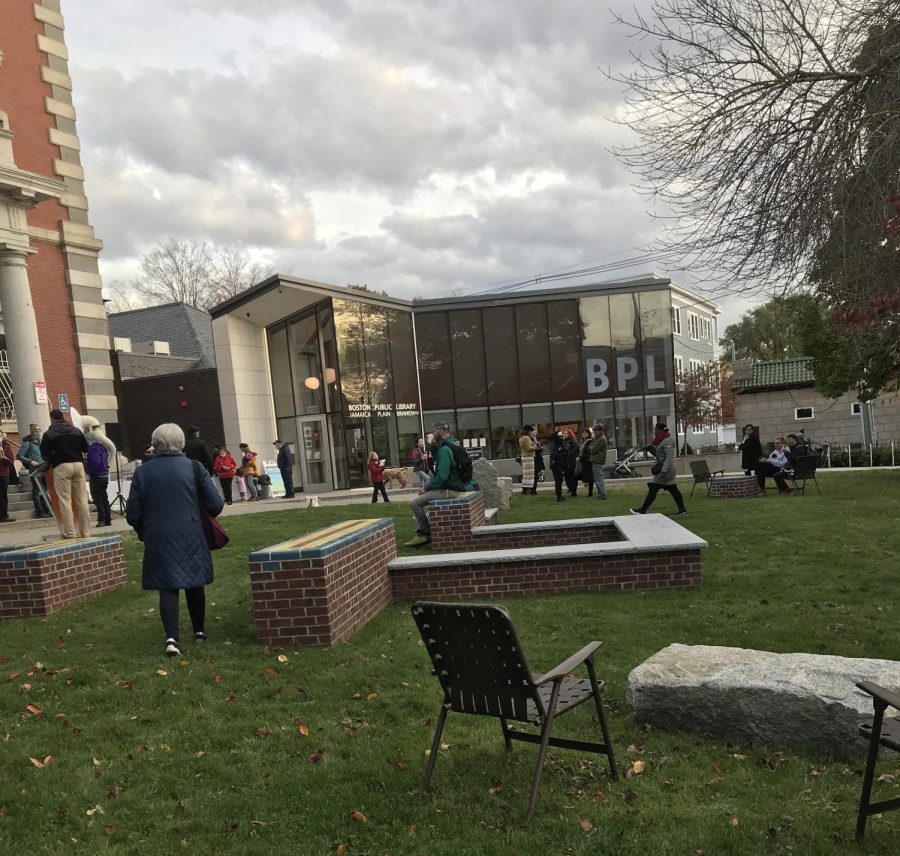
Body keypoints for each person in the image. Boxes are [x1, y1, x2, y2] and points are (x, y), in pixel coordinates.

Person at [125, 423, 224, 657]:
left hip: (157, 534)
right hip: (190, 531)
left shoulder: (143, 471)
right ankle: (199, 631)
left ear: (155, 444)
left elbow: (132, 513)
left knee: (167, 586)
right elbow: (215, 505)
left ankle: (171, 637)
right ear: (180, 443)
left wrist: (144, 530)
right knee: (194, 581)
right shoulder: (194, 467)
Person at [405, 421, 476, 547]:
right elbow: (438, 457)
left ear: (440, 431)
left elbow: (442, 476)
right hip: (456, 486)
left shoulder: (445, 449)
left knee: (415, 504)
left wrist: (426, 488)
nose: (432, 433)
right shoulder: (453, 443)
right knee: (421, 500)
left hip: (448, 490)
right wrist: (431, 444)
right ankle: (422, 532)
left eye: (434, 431)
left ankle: (426, 534)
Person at [40, 409, 91, 538]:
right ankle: (86, 532)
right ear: (63, 417)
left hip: (61, 467)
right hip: (78, 465)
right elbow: (86, 448)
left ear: (51, 419)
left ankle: (70, 533)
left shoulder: (49, 434)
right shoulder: (76, 430)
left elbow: (44, 454)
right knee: (82, 500)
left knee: (65, 501)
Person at [630, 422, 687, 516]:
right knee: (673, 490)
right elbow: (660, 456)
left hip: (666, 470)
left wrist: (664, 471)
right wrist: (650, 450)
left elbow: (669, 457)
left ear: (660, 430)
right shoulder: (661, 441)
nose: (654, 431)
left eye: (656, 430)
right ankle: (682, 510)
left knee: (653, 488)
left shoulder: (667, 441)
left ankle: (642, 510)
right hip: (666, 470)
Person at [17, 422, 53, 519]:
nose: (38, 433)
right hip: (34, 470)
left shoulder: (40, 442)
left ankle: (47, 509)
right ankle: (40, 511)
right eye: (36, 432)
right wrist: (30, 461)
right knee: (37, 491)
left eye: (39, 431)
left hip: (43, 468)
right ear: (32, 433)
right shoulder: (27, 443)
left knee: (44, 491)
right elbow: (19, 456)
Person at [85, 430, 112, 527]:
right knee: (104, 498)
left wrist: (89, 470)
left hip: (97, 475)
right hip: (104, 474)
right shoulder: (102, 447)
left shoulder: (92, 448)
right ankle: (108, 519)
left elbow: (96, 462)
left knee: (97, 499)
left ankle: (102, 519)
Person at [588, 423, 609, 500]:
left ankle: (602, 493)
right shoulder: (597, 438)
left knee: (599, 477)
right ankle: (600, 492)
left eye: (595, 431)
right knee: (597, 477)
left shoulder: (601, 439)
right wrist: (592, 445)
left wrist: (591, 447)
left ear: (600, 431)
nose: (594, 432)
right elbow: (590, 446)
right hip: (595, 459)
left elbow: (592, 449)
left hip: (598, 460)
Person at [518, 425, 538, 496]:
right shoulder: (526, 438)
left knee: (526, 475)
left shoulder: (521, 438)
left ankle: (525, 490)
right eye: (530, 431)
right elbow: (529, 448)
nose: (531, 432)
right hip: (528, 457)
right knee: (529, 475)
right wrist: (535, 447)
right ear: (528, 431)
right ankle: (527, 490)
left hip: (524, 457)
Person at [0, 432, 14, 523]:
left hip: (4, 474)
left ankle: (4, 515)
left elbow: (11, 462)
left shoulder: (7, 447)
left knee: (3, 496)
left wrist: (3, 457)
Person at [578, 429, 596, 497]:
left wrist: (581, 458)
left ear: (588, 433)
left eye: (585, 432)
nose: (584, 434)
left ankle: (590, 492)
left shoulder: (589, 441)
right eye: (583, 432)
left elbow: (587, 452)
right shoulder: (582, 441)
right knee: (587, 477)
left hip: (588, 461)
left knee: (590, 477)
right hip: (583, 461)